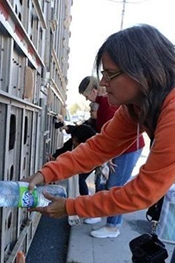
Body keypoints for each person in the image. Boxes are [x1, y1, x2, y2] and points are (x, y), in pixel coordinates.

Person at [25, 24, 175, 259]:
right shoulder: (135, 108)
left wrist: (71, 206)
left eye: (109, 74)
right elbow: (99, 147)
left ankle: (111, 226)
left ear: (142, 71)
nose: (103, 83)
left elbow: (143, 193)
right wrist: (48, 172)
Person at [74, 75, 145, 237]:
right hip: (119, 148)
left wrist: (109, 157)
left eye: (86, 96)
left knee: (115, 186)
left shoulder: (107, 105)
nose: (86, 101)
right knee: (102, 181)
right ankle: (98, 213)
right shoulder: (103, 103)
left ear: (93, 91)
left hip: (129, 148)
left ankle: (113, 226)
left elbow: (116, 135)